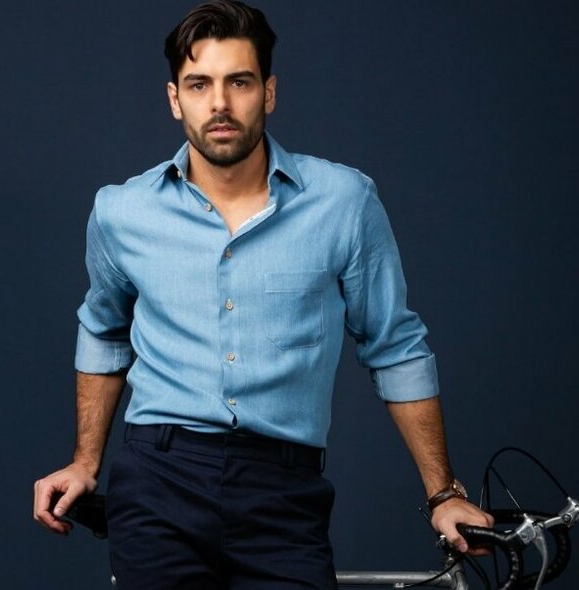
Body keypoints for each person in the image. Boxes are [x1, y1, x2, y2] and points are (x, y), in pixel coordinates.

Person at [33, 1, 493, 587]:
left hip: (283, 489)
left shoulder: (344, 202)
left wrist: (442, 494)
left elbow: (395, 347)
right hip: (159, 477)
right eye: (199, 84)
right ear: (175, 99)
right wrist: (84, 461)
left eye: (239, 82)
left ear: (268, 93)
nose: (219, 103)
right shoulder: (122, 211)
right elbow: (103, 331)